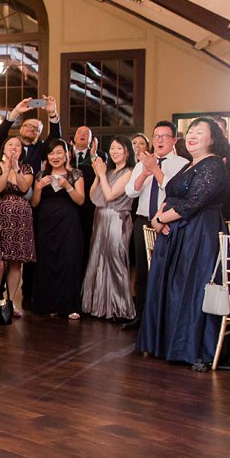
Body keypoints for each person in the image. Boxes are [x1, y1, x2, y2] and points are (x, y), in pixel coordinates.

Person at [137, 118, 230, 371]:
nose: (192, 135)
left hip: (200, 233)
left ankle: (190, 347)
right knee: (173, 287)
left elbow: (194, 202)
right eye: (190, 131)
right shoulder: (190, 165)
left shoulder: (213, 165)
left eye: (200, 132)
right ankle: (168, 343)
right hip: (178, 232)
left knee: (191, 287)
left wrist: (159, 218)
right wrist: (159, 217)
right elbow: (173, 194)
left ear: (212, 139)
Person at [123, 121, 188, 332]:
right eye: (156, 136)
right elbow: (131, 192)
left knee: (166, 270)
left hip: (168, 223)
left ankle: (165, 320)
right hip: (143, 221)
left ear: (174, 140)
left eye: (165, 136)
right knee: (142, 271)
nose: (159, 140)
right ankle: (141, 317)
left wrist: (156, 170)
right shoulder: (143, 163)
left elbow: (176, 193)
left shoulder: (182, 164)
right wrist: (145, 172)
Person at [29, 141, 87, 320]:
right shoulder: (40, 175)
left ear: (67, 154)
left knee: (69, 262)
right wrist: (38, 188)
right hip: (46, 224)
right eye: (51, 153)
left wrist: (67, 186)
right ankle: (49, 304)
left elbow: (80, 200)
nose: (55, 157)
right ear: (47, 156)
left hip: (68, 224)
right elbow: (34, 203)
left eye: (59, 153)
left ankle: (70, 306)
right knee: (47, 262)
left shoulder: (75, 174)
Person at [82, 135, 136, 321]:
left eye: (119, 148)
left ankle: (120, 308)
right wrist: (98, 176)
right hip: (101, 218)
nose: (114, 152)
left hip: (117, 219)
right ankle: (100, 306)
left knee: (116, 261)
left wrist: (102, 174)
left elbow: (111, 195)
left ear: (127, 151)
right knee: (98, 260)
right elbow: (94, 196)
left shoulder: (129, 172)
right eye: (112, 148)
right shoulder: (110, 172)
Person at [0, 134, 34, 317]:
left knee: (16, 264)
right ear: (4, 148)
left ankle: (10, 303)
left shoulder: (26, 168)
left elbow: (23, 189)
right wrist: (7, 168)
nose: (14, 147)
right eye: (10, 145)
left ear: (22, 151)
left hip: (20, 221)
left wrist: (16, 169)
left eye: (18, 146)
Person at [0, 97, 63, 176]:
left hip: (34, 186)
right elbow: (0, 134)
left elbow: (55, 139)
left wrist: (52, 113)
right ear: (20, 129)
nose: (31, 128)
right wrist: (16, 112)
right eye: (27, 125)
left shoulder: (40, 147)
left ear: (38, 134)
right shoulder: (10, 144)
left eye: (36, 128)